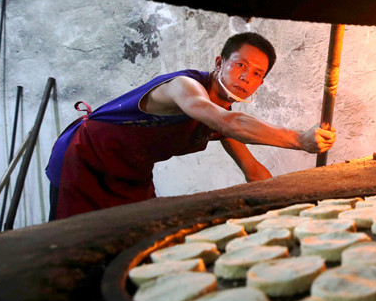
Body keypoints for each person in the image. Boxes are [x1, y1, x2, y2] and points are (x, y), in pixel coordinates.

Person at [46, 32, 336, 220]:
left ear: (260, 83)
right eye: (240, 65)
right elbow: (227, 122)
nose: (246, 77)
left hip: (131, 173)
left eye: (257, 73)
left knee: (136, 236)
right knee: (73, 243)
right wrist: (299, 139)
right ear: (220, 62)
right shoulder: (184, 87)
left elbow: (254, 171)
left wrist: (289, 211)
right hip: (85, 159)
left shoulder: (224, 117)